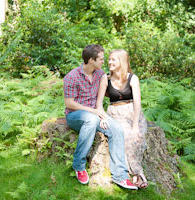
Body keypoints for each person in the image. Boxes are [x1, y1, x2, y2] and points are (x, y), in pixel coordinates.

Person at [63, 44, 137, 190]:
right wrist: (93, 111)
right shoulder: (72, 77)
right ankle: (79, 165)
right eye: (101, 59)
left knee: (116, 129)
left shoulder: (99, 74)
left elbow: (101, 100)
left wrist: (101, 114)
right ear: (91, 60)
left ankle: (120, 176)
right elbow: (69, 103)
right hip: (75, 116)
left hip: (95, 114)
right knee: (90, 119)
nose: (104, 62)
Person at [96, 49, 148, 188]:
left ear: (122, 62)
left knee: (137, 135)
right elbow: (99, 103)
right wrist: (102, 117)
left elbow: (137, 102)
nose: (109, 62)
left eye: (113, 59)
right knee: (126, 135)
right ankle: (137, 174)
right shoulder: (105, 79)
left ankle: (135, 173)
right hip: (115, 113)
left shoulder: (132, 78)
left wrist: (136, 124)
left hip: (132, 113)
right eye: (109, 59)